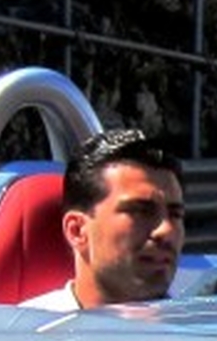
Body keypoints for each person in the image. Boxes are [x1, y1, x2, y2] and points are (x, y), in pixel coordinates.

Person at [25, 127, 186, 309]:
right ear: (77, 231)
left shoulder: (205, 332)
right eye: (141, 212)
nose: (167, 230)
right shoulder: (23, 333)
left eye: (175, 214)